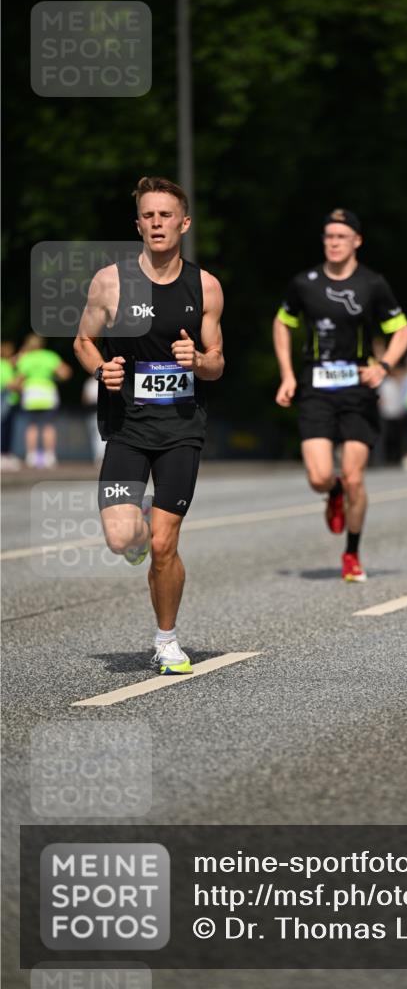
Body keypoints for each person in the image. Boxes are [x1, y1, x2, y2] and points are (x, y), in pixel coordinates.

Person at [74, 176, 224, 674]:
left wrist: (197, 360)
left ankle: (166, 641)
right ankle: (135, 532)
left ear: (183, 223)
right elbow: (83, 341)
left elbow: (218, 362)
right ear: (138, 224)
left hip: (181, 428)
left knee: (165, 543)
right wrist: (102, 368)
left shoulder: (205, 286)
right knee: (124, 539)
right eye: (149, 215)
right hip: (127, 427)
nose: (157, 223)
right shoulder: (110, 282)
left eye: (166, 215)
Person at [273, 208, 407, 581]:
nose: (333, 242)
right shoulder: (305, 283)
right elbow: (282, 323)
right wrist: (287, 375)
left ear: (356, 241)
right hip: (316, 388)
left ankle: (351, 554)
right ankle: (331, 491)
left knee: (355, 477)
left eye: (341, 236)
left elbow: (402, 331)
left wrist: (383, 368)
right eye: (328, 236)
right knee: (319, 477)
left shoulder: (373, 284)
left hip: (357, 390)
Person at [15, 334, 72, 467]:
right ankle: (50, 456)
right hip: (47, 393)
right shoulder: (49, 356)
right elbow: (65, 373)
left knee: (32, 426)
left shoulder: (26, 358)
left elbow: (19, 379)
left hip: (31, 394)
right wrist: (56, 378)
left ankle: (31, 456)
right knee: (48, 426)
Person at [1, 340, 21, 469]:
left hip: (9, 401)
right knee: (3, 428)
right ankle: (3, 455)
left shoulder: (7, 365)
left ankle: (6, 454)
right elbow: (10, 384)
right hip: (3, 401)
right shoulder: (3, 366)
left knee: (8, 428)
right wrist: (21, 380)